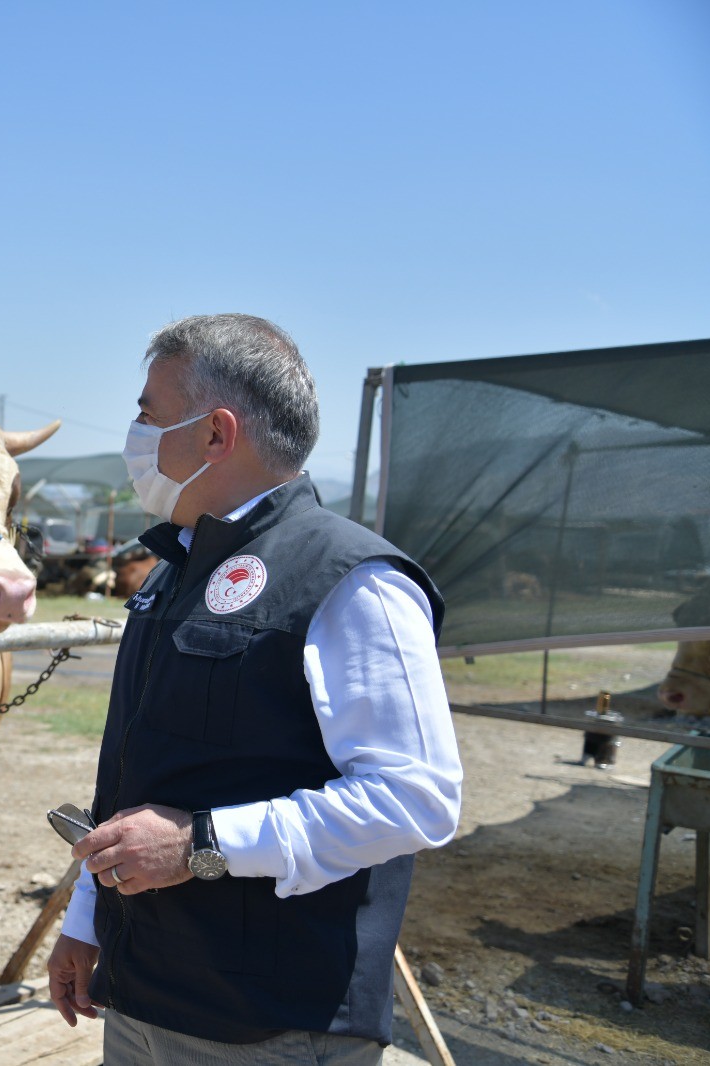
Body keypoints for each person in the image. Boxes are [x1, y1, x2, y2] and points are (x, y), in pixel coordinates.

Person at [47, 314, 462, 1065]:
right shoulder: (175, 569)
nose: (136, 436)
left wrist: (199, 844)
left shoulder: (353, 580)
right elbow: (144, 770)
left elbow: (416, 798)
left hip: (268, 1022)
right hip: (142, 990)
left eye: (149, 415)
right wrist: (84, 919)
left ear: (216, 433)